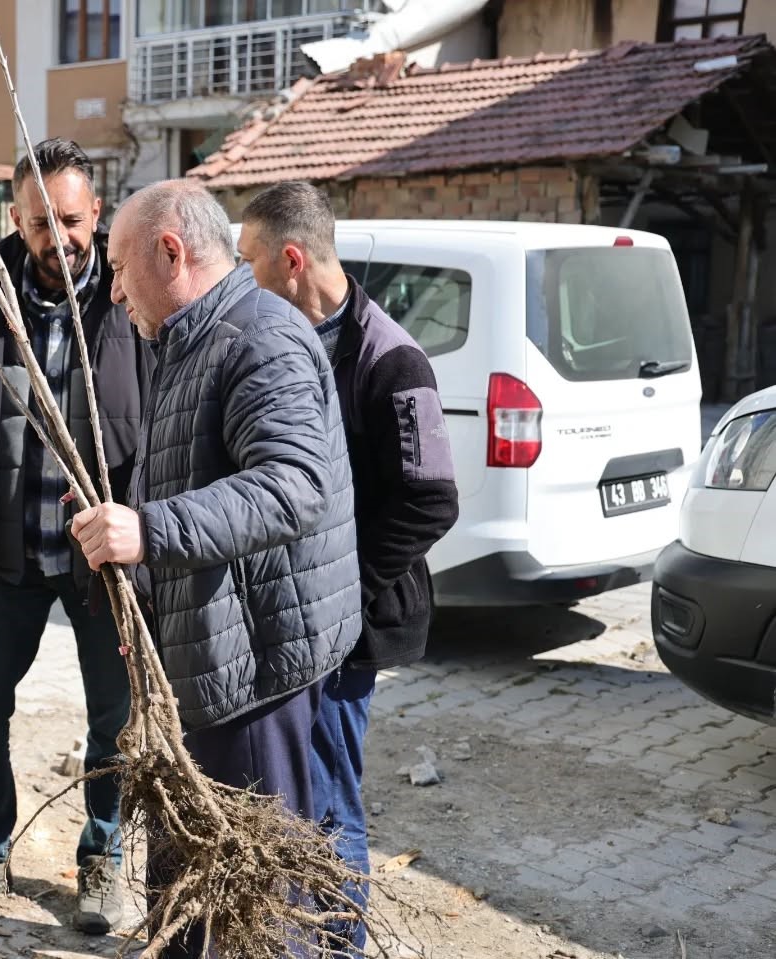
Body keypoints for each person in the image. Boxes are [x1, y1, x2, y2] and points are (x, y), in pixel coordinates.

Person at [71, 179, 362, 956]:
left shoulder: (257, 335)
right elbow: (195, 474)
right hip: (208, 662)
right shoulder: (189, 337)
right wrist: (129, 541)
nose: (114, 290)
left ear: (171, 252)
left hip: (255, 673)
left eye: (120, 267)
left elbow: (294, 486)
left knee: (256, 898)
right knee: (196, 886)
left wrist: (149, 530)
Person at [0, 137, 149, 932]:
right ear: (15, 218)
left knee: (112, 718)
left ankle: (103, 852)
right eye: (43, 221)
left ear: (98, 214)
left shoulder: (127, 297)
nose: (63, 238)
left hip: (101, 562)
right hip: (7, 547)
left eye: (75, 219)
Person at [238, 181, 460, 954]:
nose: (243, 280)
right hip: (296, 620)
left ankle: (340, 945)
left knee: (331, 805)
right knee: (298, 795)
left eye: (251, 263)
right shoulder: (292, 336)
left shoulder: (393, 360)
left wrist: (346, 588)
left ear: (292, 259)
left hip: (355, 626)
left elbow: (432, 502)